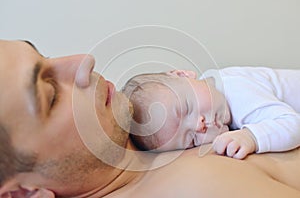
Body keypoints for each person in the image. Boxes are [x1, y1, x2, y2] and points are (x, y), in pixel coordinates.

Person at [0, 39, 300, 198]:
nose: (82, 61)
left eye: (46, 55)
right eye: (51, 95)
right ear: (23, 193)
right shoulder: (195, 188)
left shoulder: (157, 122)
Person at [122, 68, 300, 159]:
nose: (199, 126)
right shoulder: (211, 89)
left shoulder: (237, 91)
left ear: (183, 74)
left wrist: (251, 137)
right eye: (192, 139)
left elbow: (293, 124)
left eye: (187, 108)